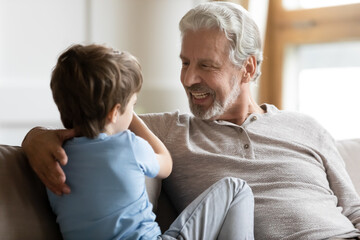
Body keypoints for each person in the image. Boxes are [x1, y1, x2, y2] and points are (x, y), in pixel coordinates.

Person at [22, 2, 360, 240]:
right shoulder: (170, 132)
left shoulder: (307, 127)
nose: (188, 79)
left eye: (206, 66)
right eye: (185, 63)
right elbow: (93, 119)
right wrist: (35, 138)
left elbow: (353, 210)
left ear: (249, 68)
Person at [45, 43, 254, 240]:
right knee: (235, 187)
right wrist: (131, 118)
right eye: (132, 105)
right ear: (114, 112)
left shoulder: (54, 163)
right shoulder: (127, 147)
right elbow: (166, 164)